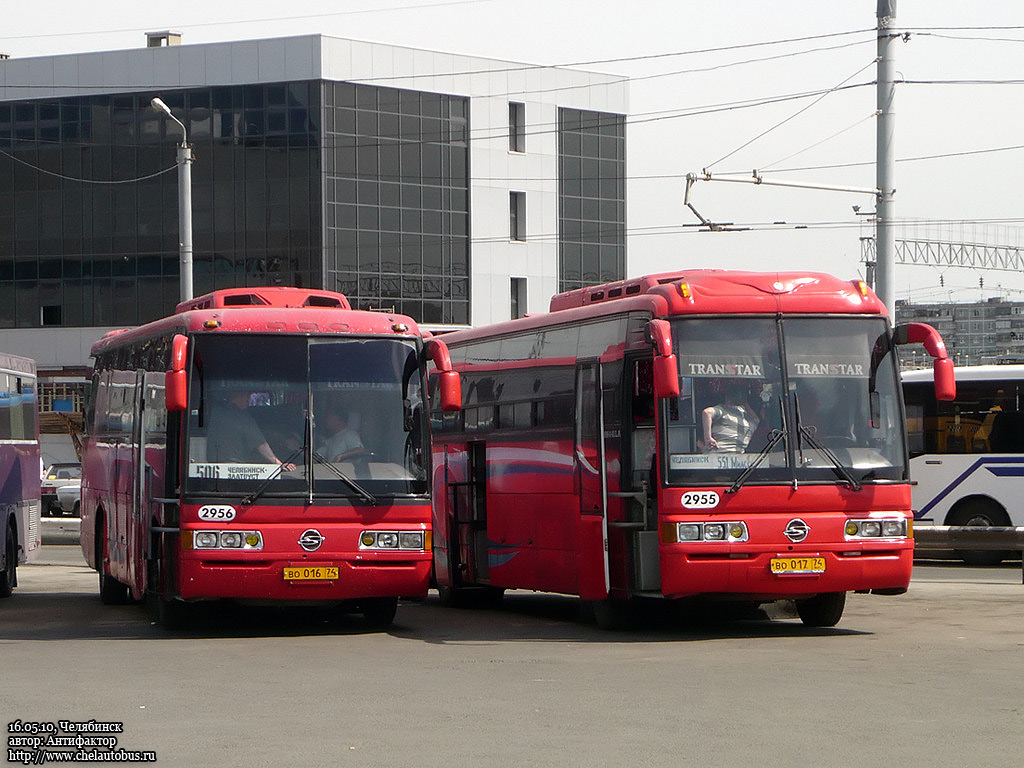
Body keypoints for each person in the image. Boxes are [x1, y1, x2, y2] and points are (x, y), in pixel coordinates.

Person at [207, 390, 296, 470]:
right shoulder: (242, 417)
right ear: (239, 396)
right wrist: (279, 463)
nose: (248, 400)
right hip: (234, 467)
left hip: (210, 469)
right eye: (247, 396)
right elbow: (261, 444)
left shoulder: (214, 411)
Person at [701, 381, 759, 453]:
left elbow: (707, 412)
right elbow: (756, 420)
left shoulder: (723, 410)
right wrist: (745, 403)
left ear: (727, 397)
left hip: (717, 456)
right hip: (739, 459)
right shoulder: (748, 421)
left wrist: (708, 438)